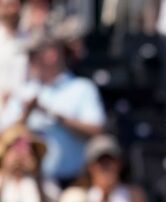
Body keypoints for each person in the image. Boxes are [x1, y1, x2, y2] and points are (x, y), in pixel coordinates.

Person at [0, 28, 106, 185]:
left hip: (72, 182)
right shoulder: (24, 91)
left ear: (51, 55)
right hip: (29, 183)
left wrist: (56, 116)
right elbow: (4, 135)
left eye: (33, 55)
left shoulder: (82, 88)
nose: (29, 61)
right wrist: (26, 114)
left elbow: (96, 130)